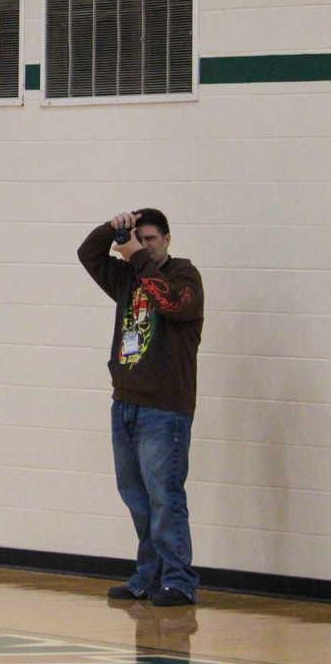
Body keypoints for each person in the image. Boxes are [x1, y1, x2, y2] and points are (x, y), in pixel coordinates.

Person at [77, 208, 204, 607]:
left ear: (167, 239)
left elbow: (170, 303)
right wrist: (112, 228)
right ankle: (149, 577)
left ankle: (179, 581)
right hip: (126, 402)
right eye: (138, 238)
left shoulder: (185, 276)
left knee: (164, 495)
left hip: (164, 407)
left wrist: (136, 254)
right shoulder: (127, 276)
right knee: (136, 497)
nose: (143, 245)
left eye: (150, 239)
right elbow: (88, 254)